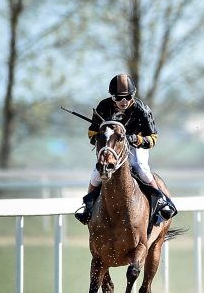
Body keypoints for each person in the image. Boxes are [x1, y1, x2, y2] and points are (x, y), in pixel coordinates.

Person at [74, 74, 176, 225]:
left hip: (136, 146)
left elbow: (153, 138)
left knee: (141, 169)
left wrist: (136, 139)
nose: (123, 101)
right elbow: (92, 133)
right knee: (97, 173)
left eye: (128, 97)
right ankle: (87, 207)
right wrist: (102, 138)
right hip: (113, 146)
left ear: (133, 95)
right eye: (118, 98)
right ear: (112, 97)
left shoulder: (142, 109)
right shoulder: (103, 106)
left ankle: (161, 201)